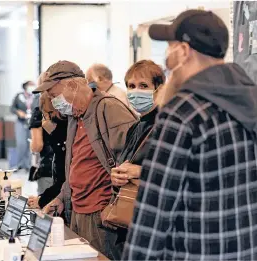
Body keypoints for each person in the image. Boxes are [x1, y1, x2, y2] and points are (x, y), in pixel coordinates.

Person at [123, 10, 257, 260]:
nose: (167, 56)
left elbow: (154, 209)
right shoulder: (250, 100)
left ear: (184, 51)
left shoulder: (182, 112)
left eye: (171, 46)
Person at [34, 61, 137, 260]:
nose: (54, 101)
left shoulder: (108, 107)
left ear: (72, 85)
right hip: (78, 211)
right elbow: (75, 166)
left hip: (101, 216)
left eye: (55, 95)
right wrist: (62, 198)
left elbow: (133, 158)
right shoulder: (75, 116)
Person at [105, 60, 165, 258]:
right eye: (131, 86)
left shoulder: (167, 124)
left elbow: (179, 172)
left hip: (155, 222)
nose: (136, 91)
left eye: (143, 86)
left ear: (159, 89)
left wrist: (139, 172)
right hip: (132, 220)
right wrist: (117, 176)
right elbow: (126, 162)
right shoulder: (136, 126)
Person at [28, 91, 68, 211]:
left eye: (49, 114)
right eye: (44, 116)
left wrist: (42, 200)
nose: (45, 122)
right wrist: (42, 198)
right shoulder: (58, 141)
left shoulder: (66, 139)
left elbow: (64, 180)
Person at [28, 73, 54, 195]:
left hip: (48, 168)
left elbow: (37, 145)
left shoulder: (39, 112)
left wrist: (31, 145)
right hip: (69, 170)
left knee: (46, 210)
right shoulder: (68, 110)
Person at [11, 81, 36, 171]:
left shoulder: (35, 96)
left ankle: (28, 165)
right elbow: (12, 108)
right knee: (21, 144)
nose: (32, 87)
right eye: (30, 85)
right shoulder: (19, 96)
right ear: (25, 86)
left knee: (31, 144)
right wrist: (18, 112)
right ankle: (19, 164)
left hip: (32, 123)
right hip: (21, 122)